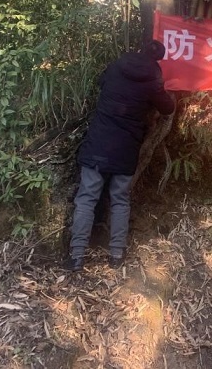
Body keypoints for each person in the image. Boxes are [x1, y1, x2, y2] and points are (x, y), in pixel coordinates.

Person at [66, 40, 175, 271]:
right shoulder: (153, 80)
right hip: (126, 147)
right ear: (158, 59)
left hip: (98, 143)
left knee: (86, 198)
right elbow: (167, 108)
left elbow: (101, 82)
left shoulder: (117, 66)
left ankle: (76, 256)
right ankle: (116, 254)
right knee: (120, 199)